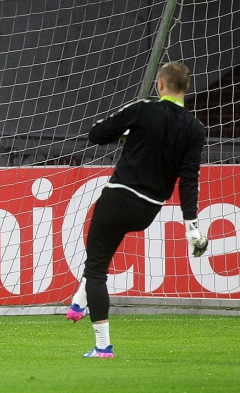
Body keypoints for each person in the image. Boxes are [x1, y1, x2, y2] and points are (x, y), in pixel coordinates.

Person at [66, 61, 208, 358]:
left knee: (95, 268)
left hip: (118, 198)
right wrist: (191, 227)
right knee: (99, 258)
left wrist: (126, 133)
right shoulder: (195, 128)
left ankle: (102, 346)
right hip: (148, 210)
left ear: (160, 85)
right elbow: (189, 179)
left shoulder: (143, 109)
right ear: (186, 88)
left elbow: (97, 135)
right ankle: (78, 303)